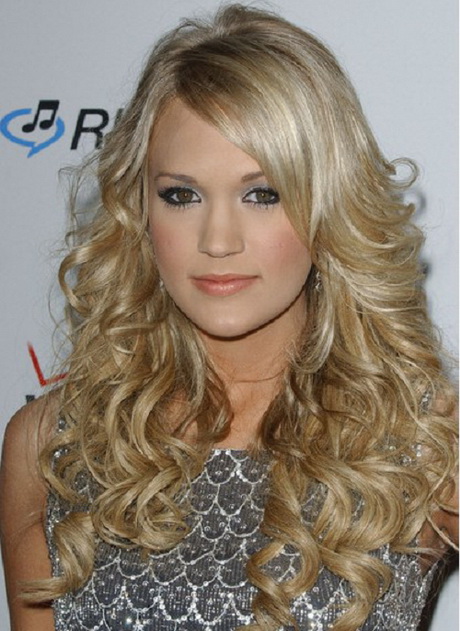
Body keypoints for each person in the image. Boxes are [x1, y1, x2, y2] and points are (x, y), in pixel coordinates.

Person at [0, 4, 457, 631]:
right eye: (181, 195)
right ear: (141, 208)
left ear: (328, 204)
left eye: (262, 194)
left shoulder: (425, 441)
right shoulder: (50, 445)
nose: (218, 240)